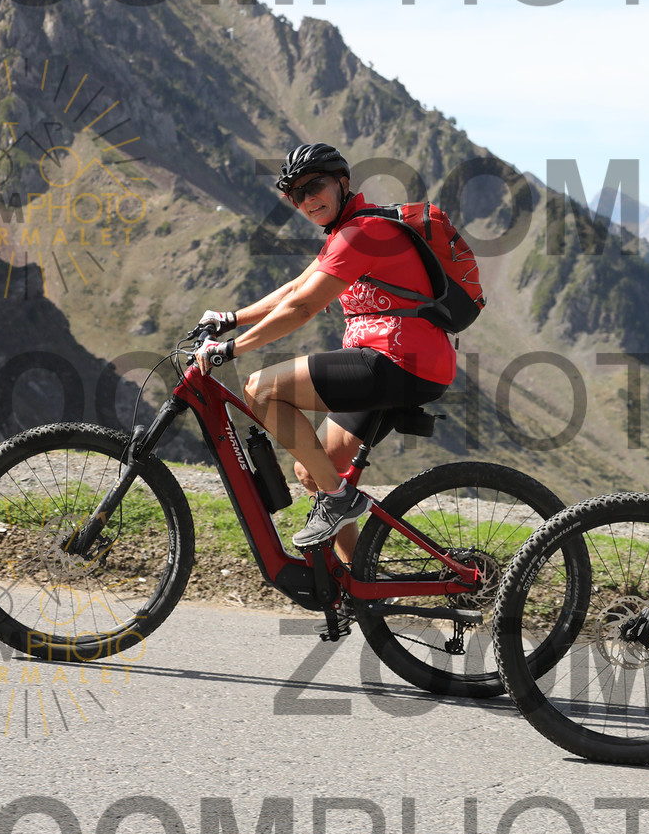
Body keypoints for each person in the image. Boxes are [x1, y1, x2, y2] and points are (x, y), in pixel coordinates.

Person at [193, 143, 457, 558]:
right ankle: (354, 580)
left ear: (342, 183)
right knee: (314, 470)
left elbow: (302, 307)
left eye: (315, 186)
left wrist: (231, 349)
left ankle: (339, 501)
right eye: (296, 194)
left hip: (399, 360)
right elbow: (296, 288)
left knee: (261, 390)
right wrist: (229, 318)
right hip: (402, 364)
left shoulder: (362, 232)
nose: (307, 199)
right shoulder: (347, 232)